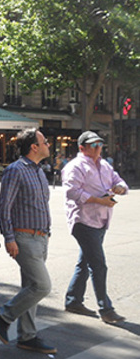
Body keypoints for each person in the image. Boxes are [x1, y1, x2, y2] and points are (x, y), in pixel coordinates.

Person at [0, 129, 56, 354]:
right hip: (24, 238)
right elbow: (4, 208)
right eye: (44, 141)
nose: (48, 144)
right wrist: (9, 238)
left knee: (31, 288)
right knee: (42, 286)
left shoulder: (38, 171)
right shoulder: (16, 170)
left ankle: (27, 336)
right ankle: (4, 314)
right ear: (34, 147)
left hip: (41, 237)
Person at [63, 131, 128, 324]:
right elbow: (71, 192)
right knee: (98, 264)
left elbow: (119, 181)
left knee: (86, 261)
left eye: (99, 144)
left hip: (100, 220)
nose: (98, 148)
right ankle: (105, 308)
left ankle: (73, 300)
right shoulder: (76, 166)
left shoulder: (105, 165)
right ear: (82, 148)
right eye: (93, 145)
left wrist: (120, 188)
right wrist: (99, 200)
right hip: (83, 220)